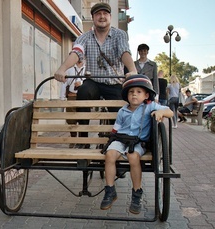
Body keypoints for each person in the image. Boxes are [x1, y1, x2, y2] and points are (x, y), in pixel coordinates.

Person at [54, 2, 137, 149]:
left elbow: (124, 52)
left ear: (110, 17)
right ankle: (84, 140)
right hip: (94, 81)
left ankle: (116, 144)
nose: (102, 16)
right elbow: (76, 53)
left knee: (119, 110)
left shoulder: (120, 35)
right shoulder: (84, 37)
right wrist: (62, 68)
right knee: (84, 92)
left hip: (114, 81)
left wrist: (132, 69)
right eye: (98, 14)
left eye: (105, 14)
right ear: (93, 17)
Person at [100, 74, 173, 214]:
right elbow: (116, 128)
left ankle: (136, 193)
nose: (134, 95)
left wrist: (161, 111)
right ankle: (110, 190)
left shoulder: (150, 106)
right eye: (131, 92)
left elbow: (169, 112)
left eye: (139, 92)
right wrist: (110, 140)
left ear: (146, 95)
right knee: (109, 155)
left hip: (138, 142)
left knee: (133, 157)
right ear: (127, 95)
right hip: (120, 140)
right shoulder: (123, 110)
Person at [60, 60, 85, 148]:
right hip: (71, 95)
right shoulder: (69, 69)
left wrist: (81, 83)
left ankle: (82, 141)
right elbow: (64, 83)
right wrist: (62, 98)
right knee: (71, 119)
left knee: (83, 118)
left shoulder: (86, 69)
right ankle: (73, 138)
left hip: (83, 97)